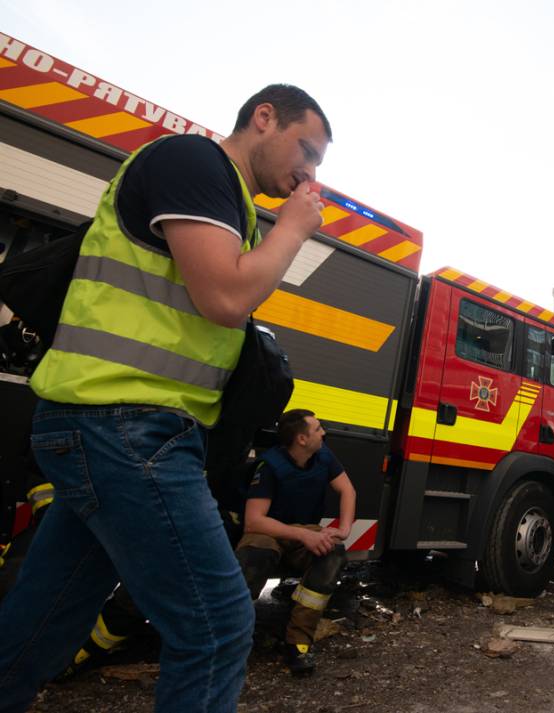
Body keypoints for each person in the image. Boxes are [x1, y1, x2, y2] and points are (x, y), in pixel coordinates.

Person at [0, 84, 332, 713]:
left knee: (42, 624)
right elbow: (227, 298)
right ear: (264, 118)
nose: (309, 172)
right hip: (127, 424)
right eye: (306, 149)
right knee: (217, 625)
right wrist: (291, 231)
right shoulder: (195, 163)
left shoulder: (223, 195)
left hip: (107, 426)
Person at [235, 409, 355, 675]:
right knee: (255, 557)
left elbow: (347, 489)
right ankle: (230, 643)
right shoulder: (269, 466)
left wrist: (344, 529)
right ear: (302, 439)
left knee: (333, 553)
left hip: (306, 530)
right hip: (269, 530)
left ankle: (298, 643)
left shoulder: (323, 456)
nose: (323, 432)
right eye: (318, 428)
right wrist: (303, 535)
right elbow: (254, 521)